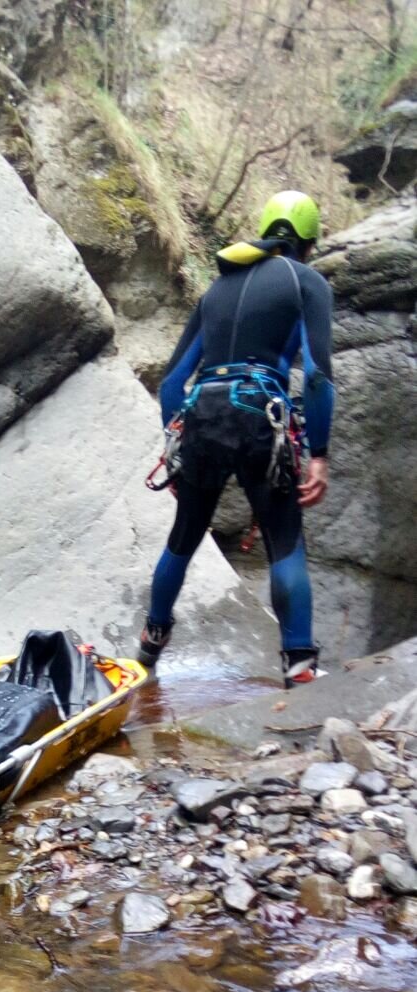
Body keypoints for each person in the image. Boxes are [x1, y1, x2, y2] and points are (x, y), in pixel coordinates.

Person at [138, 189, 335, 688]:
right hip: (259, 416)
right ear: (308, 242)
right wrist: (319, 454)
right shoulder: (306, 281)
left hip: (202, 418)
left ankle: (150, 644)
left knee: (184, 535)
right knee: (284, 540)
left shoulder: (216, 290)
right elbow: (316, 377)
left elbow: (172, 384)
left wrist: (176, 448)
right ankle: (299, 663)